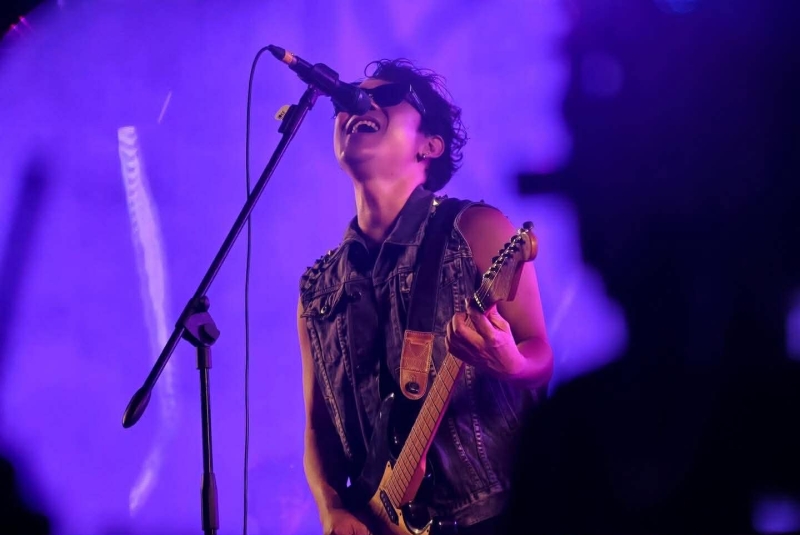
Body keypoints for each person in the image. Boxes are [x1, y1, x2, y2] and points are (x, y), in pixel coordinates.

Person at [296, 59, 553, 535]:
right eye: (350, 97)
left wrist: (512, 363)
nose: (360, 103)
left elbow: (541, 354)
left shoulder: (477, 228)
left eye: (388, 96)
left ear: (430, 145)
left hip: (495, 517)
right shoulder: (318, 288)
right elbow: (319, 428)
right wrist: (331, 508)